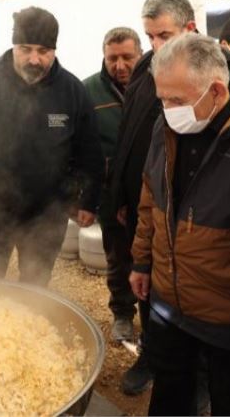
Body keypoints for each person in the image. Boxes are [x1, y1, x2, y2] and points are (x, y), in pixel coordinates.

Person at [129, 33, 230, 415]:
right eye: (162, 99)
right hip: (169, 300)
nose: (167, 109)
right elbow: (150, 195)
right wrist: (141, 261)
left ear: (217, 91)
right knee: (169, 392)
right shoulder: (166, 127)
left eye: (176, 100)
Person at [0, 6, 104, 286]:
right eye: (25, 48)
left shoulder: (72, 91)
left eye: (43, 51)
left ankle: (28, 326)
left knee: (35, 282)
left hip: (47, 210)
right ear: (14, 45)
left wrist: (87, 200)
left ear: (54, 50)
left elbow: (89, 150)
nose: (34, 59)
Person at [109, 0, 196, 396]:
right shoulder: (146, 69)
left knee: (187, 292)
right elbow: (129, 136)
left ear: (190, 29)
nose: (156, 46)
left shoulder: (213, 74)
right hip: (143, 201)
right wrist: (122, 199)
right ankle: (151, 354)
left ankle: (198, 376)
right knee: (145, 280)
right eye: (151, 36)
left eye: (165, 35)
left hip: (187, 209)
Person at [82, 26, 143, 341]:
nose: (119, 65)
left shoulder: (155, 85)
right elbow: (78, 144)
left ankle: (157, 322)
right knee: (118, 258)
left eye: (127, 57)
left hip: (149, 196)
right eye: (112, 58)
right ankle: (122, 314)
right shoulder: (88, 92)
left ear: (140, 54)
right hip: (109, 196)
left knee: (153, 261)